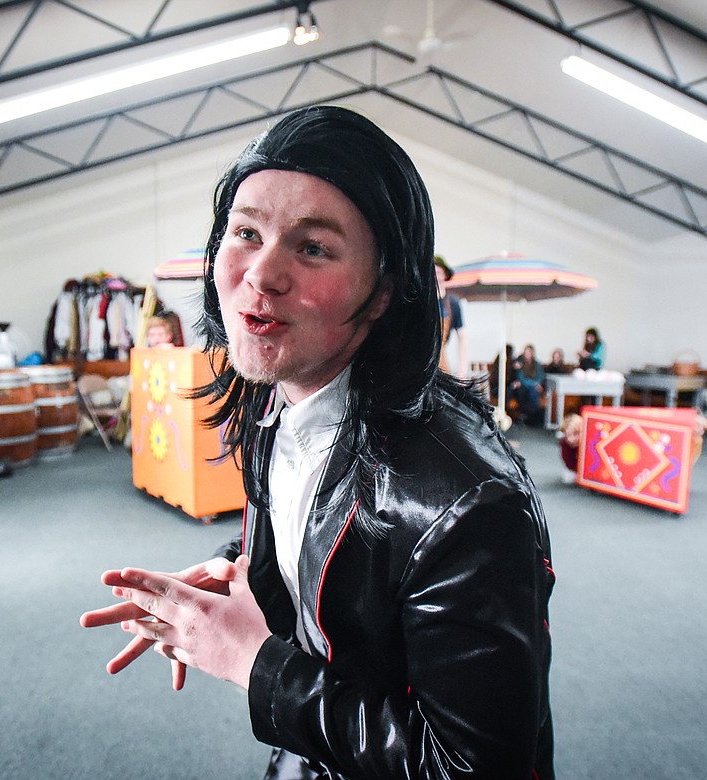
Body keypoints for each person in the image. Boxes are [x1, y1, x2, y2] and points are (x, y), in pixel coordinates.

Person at [80, 106, 555, 779]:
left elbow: (473, 769)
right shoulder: (277, 394)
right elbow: (322, 550)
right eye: (245, 231)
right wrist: (228, 586)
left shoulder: (466, 503)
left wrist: (253, 663)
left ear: (385, 291)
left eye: (313, 248)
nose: (261, 273)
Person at [433, 254, 467, 377]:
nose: (435, 275)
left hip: (441, 363)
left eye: (438, 272)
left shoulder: (452, 303)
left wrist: (462, 370)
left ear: (445, 275)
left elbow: (462, 337)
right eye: (432, 271)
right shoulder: (423, 302)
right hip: (421, 363)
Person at [512, 343, 546, 425]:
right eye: (526, 353)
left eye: (529, 352)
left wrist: (536, 384)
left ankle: (532, 416)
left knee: (533, 391)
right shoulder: (521, 364)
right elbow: (521, 378)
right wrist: (534, 384)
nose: (527, 355)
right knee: (528, 391)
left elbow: (541, 377)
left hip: (534, 386)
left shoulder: (537, 364)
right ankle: (529, 415)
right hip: (525, 386)